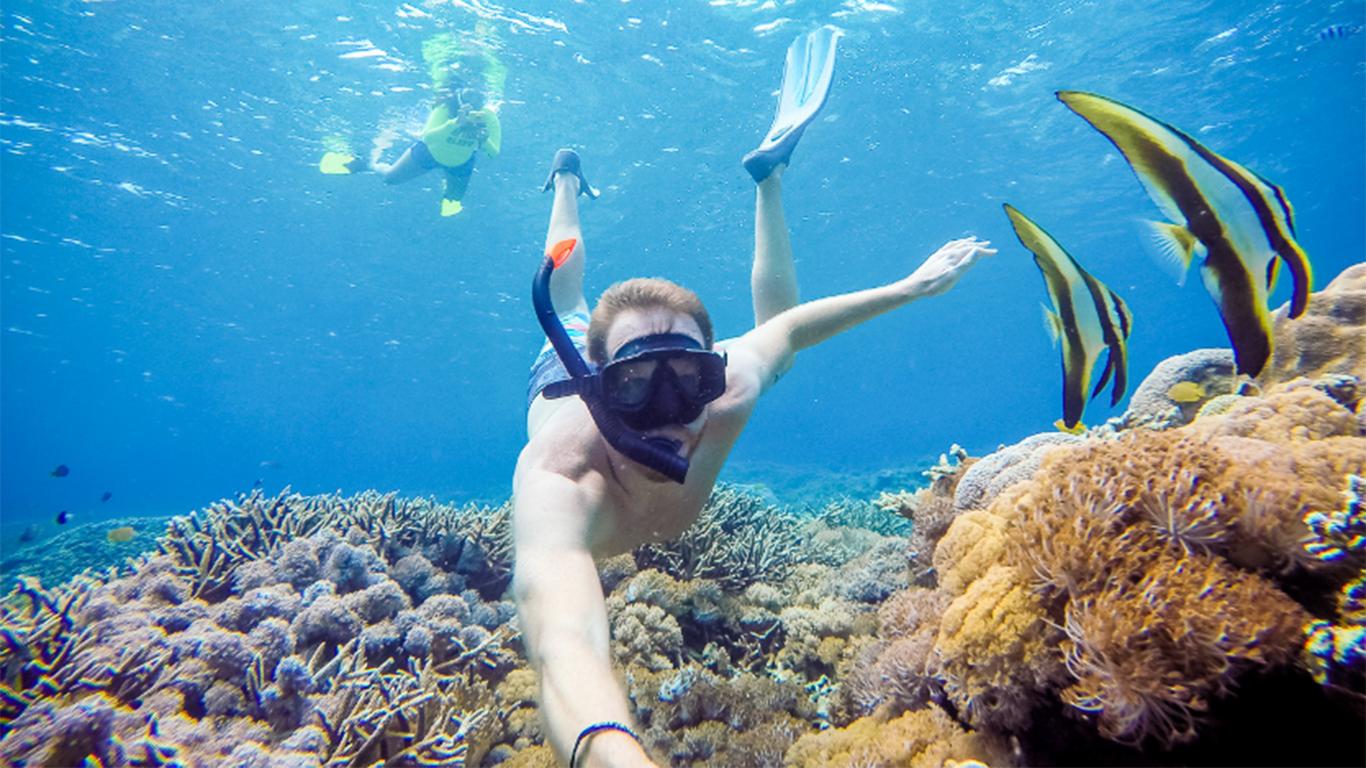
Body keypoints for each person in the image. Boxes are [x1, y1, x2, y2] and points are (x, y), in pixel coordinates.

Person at [511, 27, 995, 768]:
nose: (672, 415)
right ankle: (568, 185)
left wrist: (911, 287)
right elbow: (564, 641)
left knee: (780, 349)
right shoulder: (558, 481)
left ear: (714, 369)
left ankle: (769, 176)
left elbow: (791, 328)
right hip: (560, 365)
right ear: (600, 387)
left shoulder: (729, 388)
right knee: (568, 293)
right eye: (636, 387)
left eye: (689, 379)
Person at [320, 85, 501, 217]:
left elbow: (494, 153)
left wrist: (483, 140)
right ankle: (364, 164)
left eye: (479, 100)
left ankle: (448, 187)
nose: (474, 104)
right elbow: (427, 137)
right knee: (389, 178)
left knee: (453, 200)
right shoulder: (445, 108)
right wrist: (455, 124)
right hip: (428, 152)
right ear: (460, 97)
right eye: (470, 97)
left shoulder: (488, 118)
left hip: (460, 162)